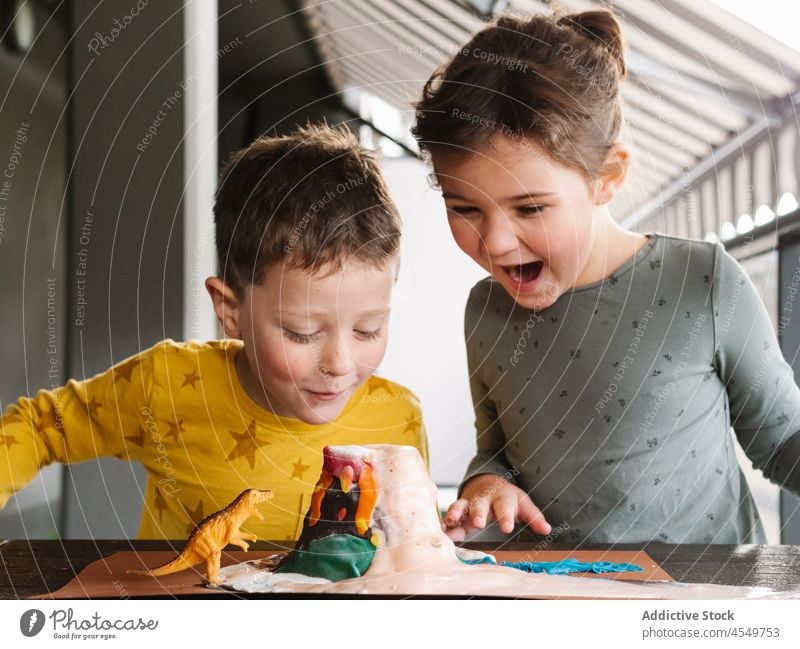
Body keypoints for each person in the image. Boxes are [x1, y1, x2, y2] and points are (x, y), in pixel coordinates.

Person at [413, 9, 800, 544]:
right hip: (556, 598)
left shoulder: (702, 280)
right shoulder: (486, 308)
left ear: (608, 177)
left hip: (707, 597)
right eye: (465, 208)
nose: (496, 242)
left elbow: (784, 440)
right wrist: (485, 483)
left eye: (529, 208)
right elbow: (499, 451)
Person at [0, 124, 428, 540]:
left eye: (368, 330)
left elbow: (417, 542)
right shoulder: (166, 385)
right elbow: (40, 427)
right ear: (229, 309)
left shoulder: (399, 417)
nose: (340, 364)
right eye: (302, 332)